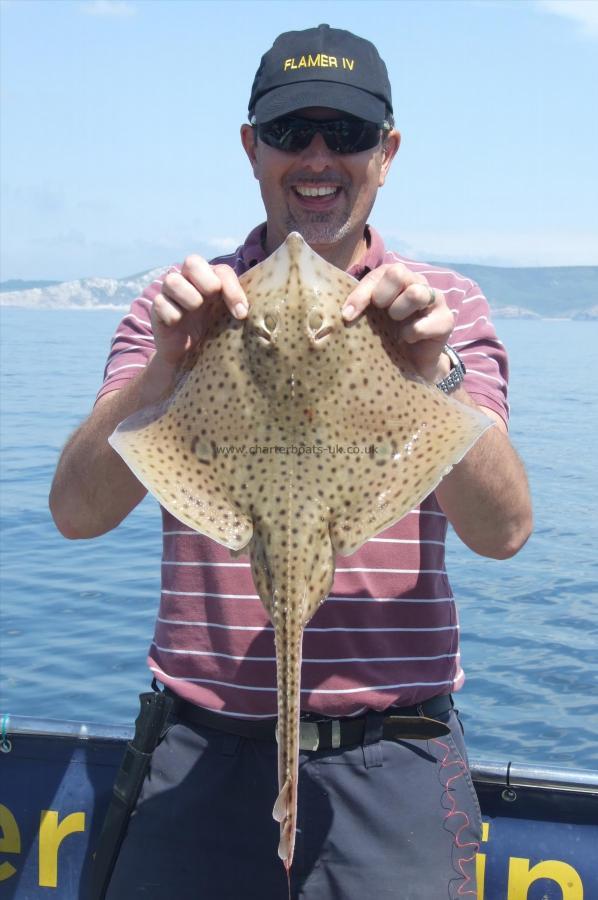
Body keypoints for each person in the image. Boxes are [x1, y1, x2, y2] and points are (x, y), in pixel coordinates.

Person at [50, 24, 532, 900]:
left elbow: (505, 532)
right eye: (291, 133)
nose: (318, 156)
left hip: (393, 765)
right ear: (252, 148)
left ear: (386, 154)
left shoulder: (445, 307)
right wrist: (168, 369)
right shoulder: (182, 304)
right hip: (196, 758)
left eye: (346, 135)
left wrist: (433, 371)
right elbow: (76, 513)